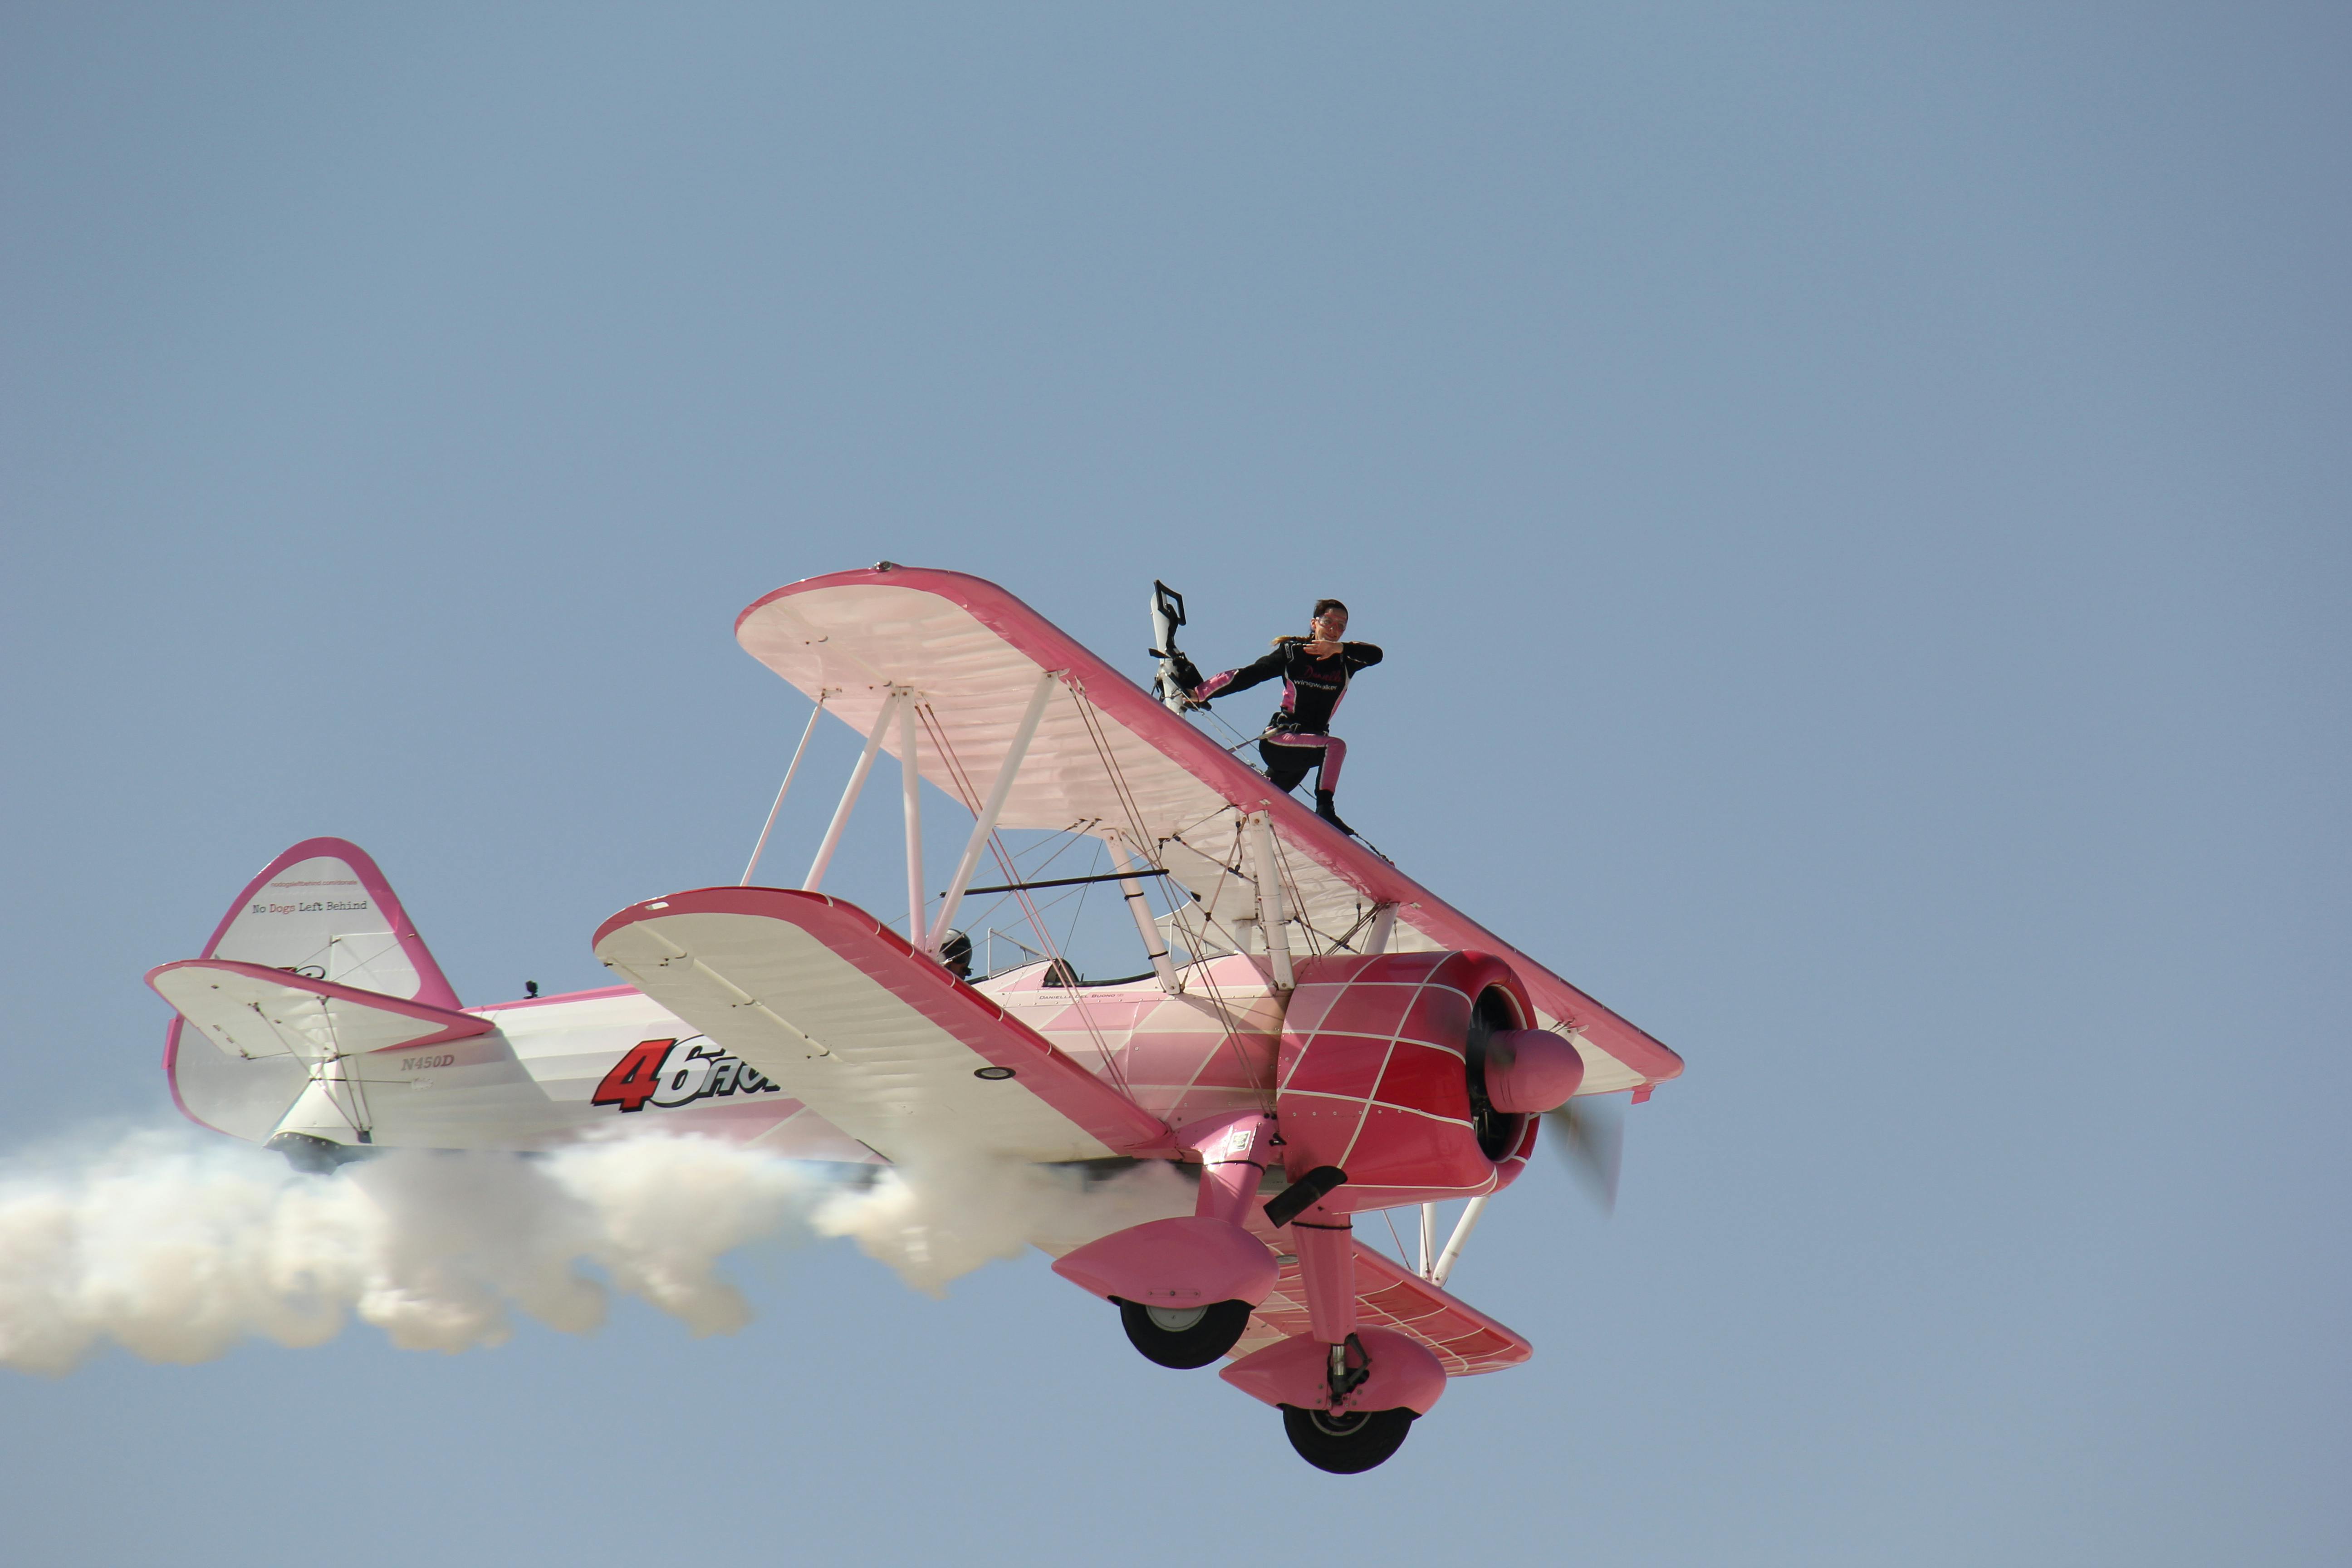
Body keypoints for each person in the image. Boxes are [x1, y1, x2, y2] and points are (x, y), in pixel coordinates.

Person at [1178, 598, 1382, 837]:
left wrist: (1340, 649)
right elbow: (1250, 674)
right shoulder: (1293, 653)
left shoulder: (1347, 661)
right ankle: (1326, 810)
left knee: (1260, 808)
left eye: (1341, 626)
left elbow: (1376, 655)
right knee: (1336, 747)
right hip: (1281, 740)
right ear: (1314, 623)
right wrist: (1200, 693)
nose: (1334, 629)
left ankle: (1216, 830)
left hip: (1304, 755)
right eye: (1328, 622)